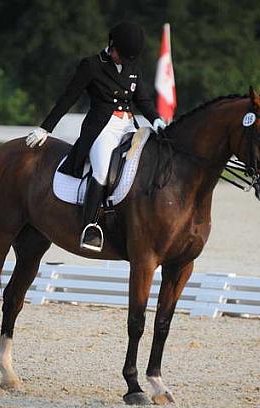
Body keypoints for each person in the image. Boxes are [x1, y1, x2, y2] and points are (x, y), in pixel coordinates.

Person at [26, 21, 165, 252]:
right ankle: (90, 226)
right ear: (112, 45)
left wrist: (157, 120)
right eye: (121, 54)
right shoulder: (91, 66)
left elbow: (142, 100)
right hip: (103, 128)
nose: (124, 60)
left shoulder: (131, 65)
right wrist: (45, 128)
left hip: (129, 126)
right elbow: (67, 98)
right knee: (101, 170)